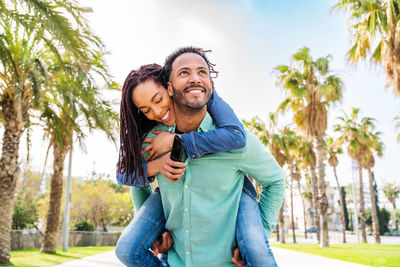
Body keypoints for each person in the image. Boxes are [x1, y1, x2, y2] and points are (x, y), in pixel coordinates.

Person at [115, 48, 283, 266]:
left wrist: (259, 235)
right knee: (126, 250)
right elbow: (132, 179)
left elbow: (275, 179)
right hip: (176, 259)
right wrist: (153, 231)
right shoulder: (154, 140)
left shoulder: (232, 137)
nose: (156, 111)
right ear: (171, 86)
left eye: (158, 100)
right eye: (147, 109)